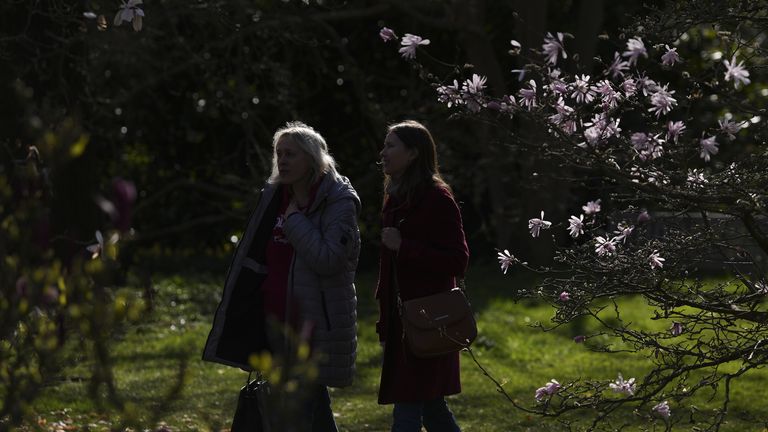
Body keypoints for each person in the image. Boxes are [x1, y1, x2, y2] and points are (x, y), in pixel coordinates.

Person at [202, 121, 361, 432]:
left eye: (292, 154)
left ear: (313, 159)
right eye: (279, 153)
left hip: (313, 324)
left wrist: (296, 223)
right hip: (275, 322)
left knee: (300, 409)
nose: (283, 161)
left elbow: (329, 259)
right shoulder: (275, 196)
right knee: (307, 406)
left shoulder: (337, 200)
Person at [375, 120, 469, 432]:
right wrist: (385, 319)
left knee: (408, 409)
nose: (383, 153)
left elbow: (458, 261)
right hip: (402, 322)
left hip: (429, 321)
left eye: (391, 146)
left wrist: (405, 246)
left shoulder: (437, 198)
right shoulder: (395, 197)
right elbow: (390, 273)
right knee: (431, 406)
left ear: (413, 153)